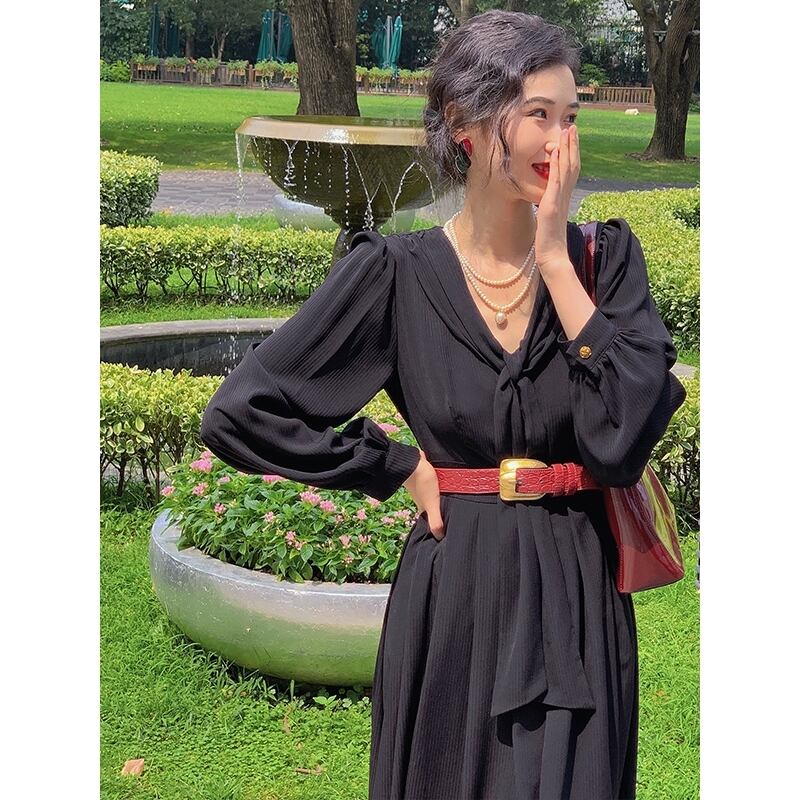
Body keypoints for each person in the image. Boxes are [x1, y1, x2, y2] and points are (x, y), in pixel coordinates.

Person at [200, 10, 687, 800]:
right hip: (454, 591)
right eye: (538, 115)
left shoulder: (605, 262)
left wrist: (555, 261)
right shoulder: (395, 274)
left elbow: (621, 442)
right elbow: (240, 412)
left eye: (570, 117)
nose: (561, 142)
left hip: (576, 589)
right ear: (465, 123)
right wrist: (392, 465)